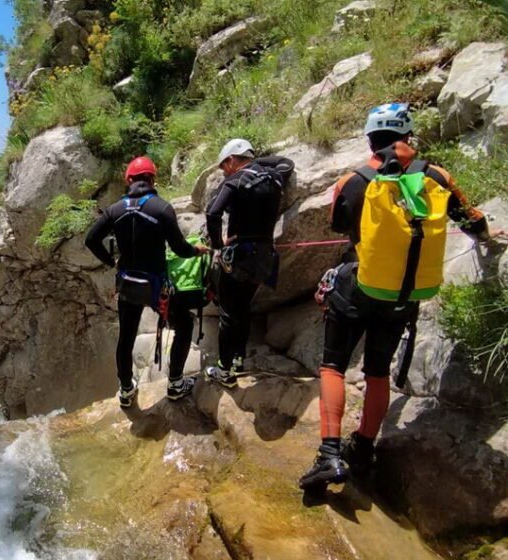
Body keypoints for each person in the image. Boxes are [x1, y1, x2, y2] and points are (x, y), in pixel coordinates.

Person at [298, 103, 491, 490]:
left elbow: (342, 225)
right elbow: (473, 220)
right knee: (377, 372)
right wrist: (488, 236)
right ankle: (365, 447)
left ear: (370, 139)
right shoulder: (436, 176)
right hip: (407, 292)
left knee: (334, 366)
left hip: (362, 285)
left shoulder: (353, 181)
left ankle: (330, 455)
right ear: (409, 137)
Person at [86, 156, 209, 408]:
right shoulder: (161, 208)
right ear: (152, 179)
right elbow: (179, 248)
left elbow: (91, 240)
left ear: (129, 180)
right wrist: (197, 250)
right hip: (156, 287)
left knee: (126, 336)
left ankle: (126, 390)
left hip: (127, 285)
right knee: (184, 324)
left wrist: (112, 262)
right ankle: (175, 383)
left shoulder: (114, 210)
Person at [205, 139, 294, 388]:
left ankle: (224, 370)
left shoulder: (234, 182)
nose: (224, 170)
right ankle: (237, 359)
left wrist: (218, 246)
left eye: (225, 164)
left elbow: (213, 213)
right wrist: (255, 162)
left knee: (228, 312)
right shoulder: (276, 177)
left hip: (240, 254)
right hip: (265, 256)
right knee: (242, 307)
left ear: (233, 159)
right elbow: (287, 162)